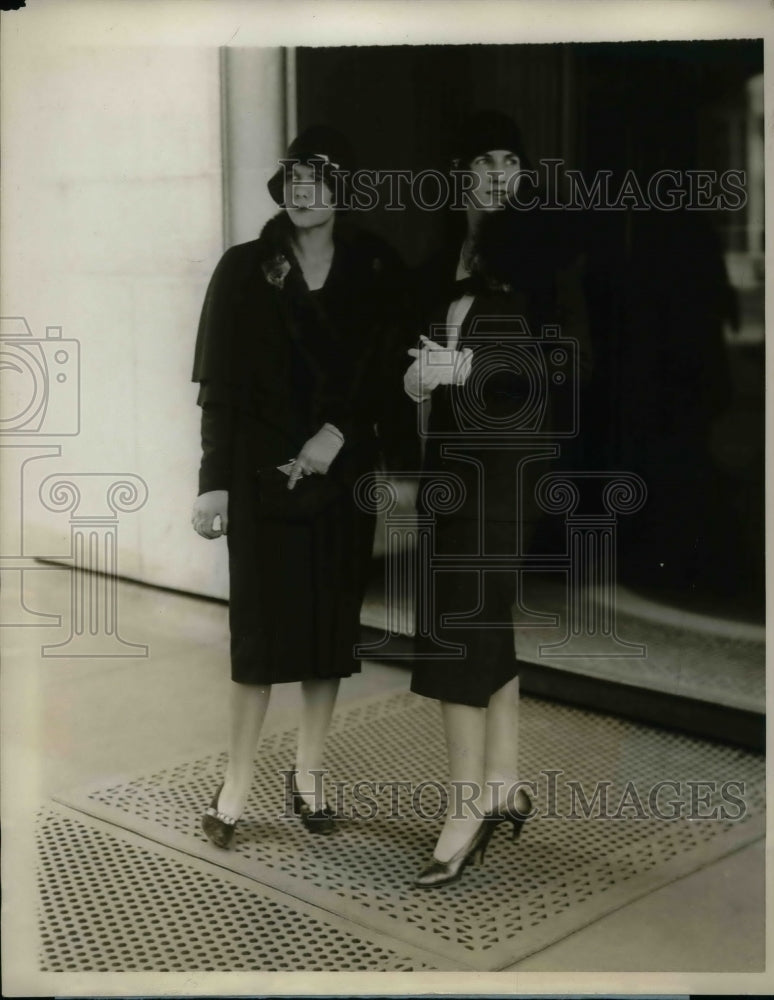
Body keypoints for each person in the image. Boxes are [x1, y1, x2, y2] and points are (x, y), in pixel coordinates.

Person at [191, 125, 409, 847]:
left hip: (340, 474)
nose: (307, 190)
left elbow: (386, 374)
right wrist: (213, 483)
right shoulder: (244, 267)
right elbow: (217, 387)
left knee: (327, 632)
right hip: (256, 476)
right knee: (256, 639)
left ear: (344, 188)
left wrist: (336, 436)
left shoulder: (376, 266)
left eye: (322, 176)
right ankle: (237, 786)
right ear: (283, 186)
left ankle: (310, 774)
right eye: (296, 177)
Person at [403, 110, 591, 887]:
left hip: (505, 468)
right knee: (479, 618)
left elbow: (565, 364)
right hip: (450, 463)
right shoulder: (444, 257)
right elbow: (419, 351)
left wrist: (466, 372)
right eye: (481, 161)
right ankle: (505, 782)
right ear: (460, 172)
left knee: (456, 626)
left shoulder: (544, 255)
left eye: (508, 162)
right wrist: (413, 378)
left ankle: (464, 809)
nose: (495, 175)